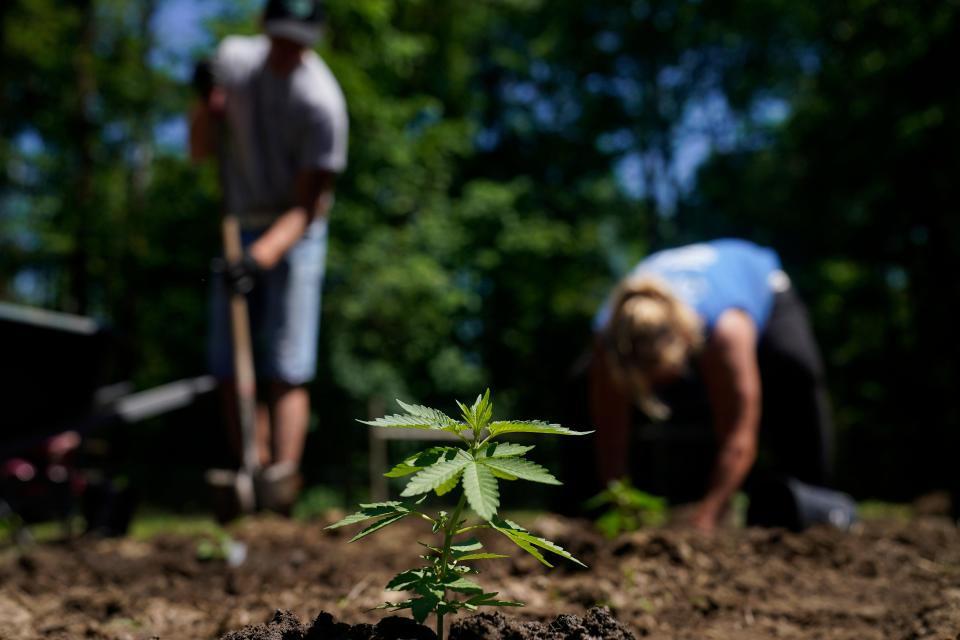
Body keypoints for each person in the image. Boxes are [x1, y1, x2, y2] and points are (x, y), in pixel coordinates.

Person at [189, 0, 348, 513]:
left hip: (295, 229)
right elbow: (199, 150)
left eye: (297, 43)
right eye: (279, 38)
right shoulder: (232, 63)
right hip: (238, 222)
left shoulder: (322, 104)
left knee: (287, 362)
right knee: (229, 363)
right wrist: (204, 104)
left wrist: (260, 258)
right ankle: (248, 472)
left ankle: (280, 484)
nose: (287, 52)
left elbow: (307, 207)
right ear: (263, 29)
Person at [589, 239, 837, 533]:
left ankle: (813, 501)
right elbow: (609, 438)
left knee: (797, 371)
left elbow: (740, 435)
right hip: (683, 300)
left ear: (684, 343)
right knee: (577, 385)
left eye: (664, 377)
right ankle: (575, 502)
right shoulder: (610, 340)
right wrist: (622, 508)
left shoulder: (727, 330)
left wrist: (707, 517)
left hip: (758, 283)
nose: (661, 389)